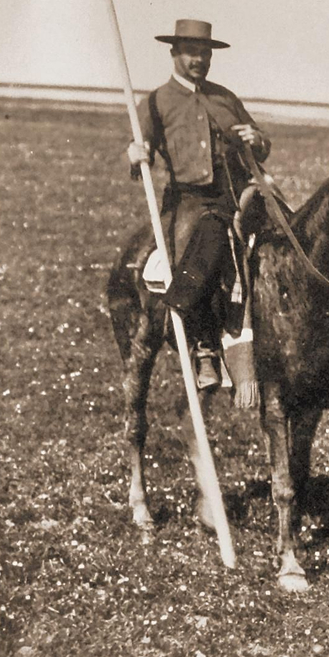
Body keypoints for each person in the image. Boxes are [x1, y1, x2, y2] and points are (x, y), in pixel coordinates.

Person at [125, 19, 270, 390]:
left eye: (205, 53)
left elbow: (261, 147)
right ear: (174, 53)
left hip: (235, 192)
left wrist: (256, 138)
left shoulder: (224, 97)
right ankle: (204, 343)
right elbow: (137, 155)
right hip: (187, 198)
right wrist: (135, 153)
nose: (199, 60)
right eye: (191, 52)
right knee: (212, 234)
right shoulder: (156, 102)